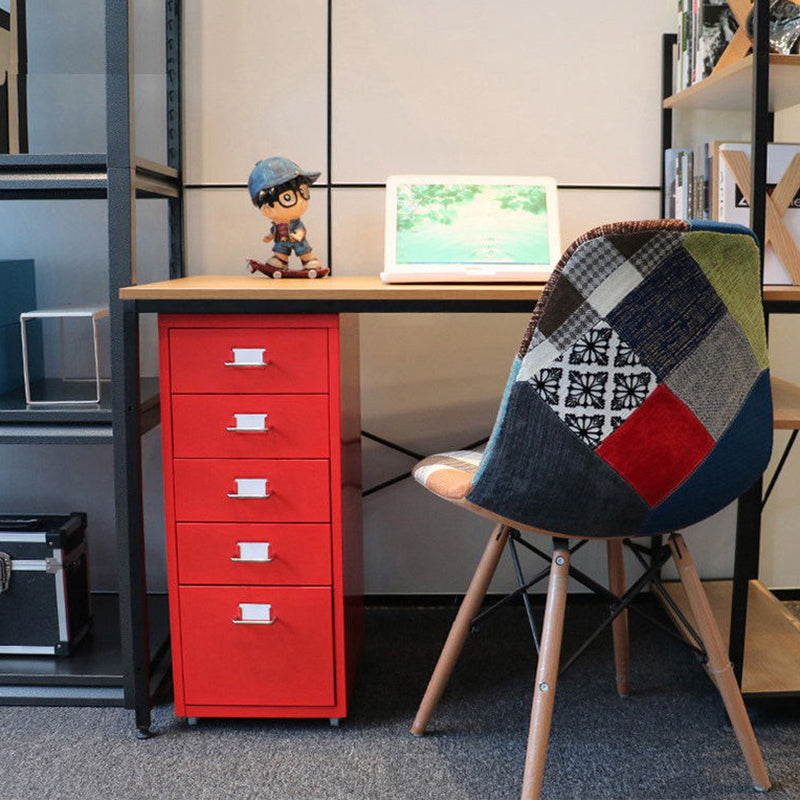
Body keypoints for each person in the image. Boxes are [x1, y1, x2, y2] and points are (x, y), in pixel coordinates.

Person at [247, 156, 326, 275]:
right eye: (287, 198)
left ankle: (309, 260)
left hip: (298, 241)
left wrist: (299, 235)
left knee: (303, 250)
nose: (301, 201)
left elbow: (301, 229)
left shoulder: (295, 223)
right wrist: (269, 236)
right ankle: (280, 261)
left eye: (303, 192)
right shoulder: (277, 224)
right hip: (282, 242)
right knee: (280, 251)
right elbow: (274, 231)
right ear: (266, 209)